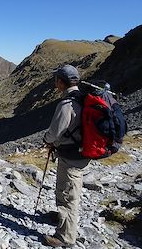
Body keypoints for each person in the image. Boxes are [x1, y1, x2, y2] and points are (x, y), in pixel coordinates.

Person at [42, 64, 90, 247]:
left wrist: (47, 139)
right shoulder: (82, 97)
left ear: (61, 82)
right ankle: (63, 219)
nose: (55, 83)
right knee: (69, 190)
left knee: (67, 194)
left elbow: (55, 132)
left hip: (71, 156)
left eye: (56, 80)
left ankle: (65, 237)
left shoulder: (67, 104)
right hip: (80, 153)